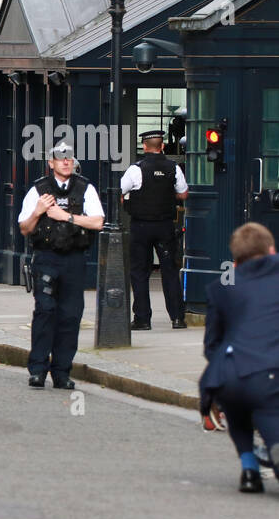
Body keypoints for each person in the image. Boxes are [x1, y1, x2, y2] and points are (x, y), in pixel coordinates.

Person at [18, 142, 105, 389]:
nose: (66, 162)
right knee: (45, 311)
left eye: (69, 158)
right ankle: (37, 370)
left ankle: (62, 373)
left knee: (70, 315)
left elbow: (98, 222)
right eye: (60, 158)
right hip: (46, 258)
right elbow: (25, 228)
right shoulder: (39, 190)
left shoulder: (85, 188)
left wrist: (65, 216)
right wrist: (38, 212)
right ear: (51, 163)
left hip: (75, 259)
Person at [200, 222, 279, 493]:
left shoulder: (221, 289)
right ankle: (274, 448)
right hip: (270, 370)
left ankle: (249, 469)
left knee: (237, 407)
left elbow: (211, 345)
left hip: (230, 373)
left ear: (235, 260)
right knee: (270, 413)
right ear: (271, 250)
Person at [121, 129, 188, 329]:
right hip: (165, 226)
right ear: (163, 146)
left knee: (140, 272)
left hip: (140, 226)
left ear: (144, 146)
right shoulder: (173, 168)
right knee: (169, 270)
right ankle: (177, 318)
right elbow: (183, 194)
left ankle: (142, 319)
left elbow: (120, 190)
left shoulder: (135, 169)